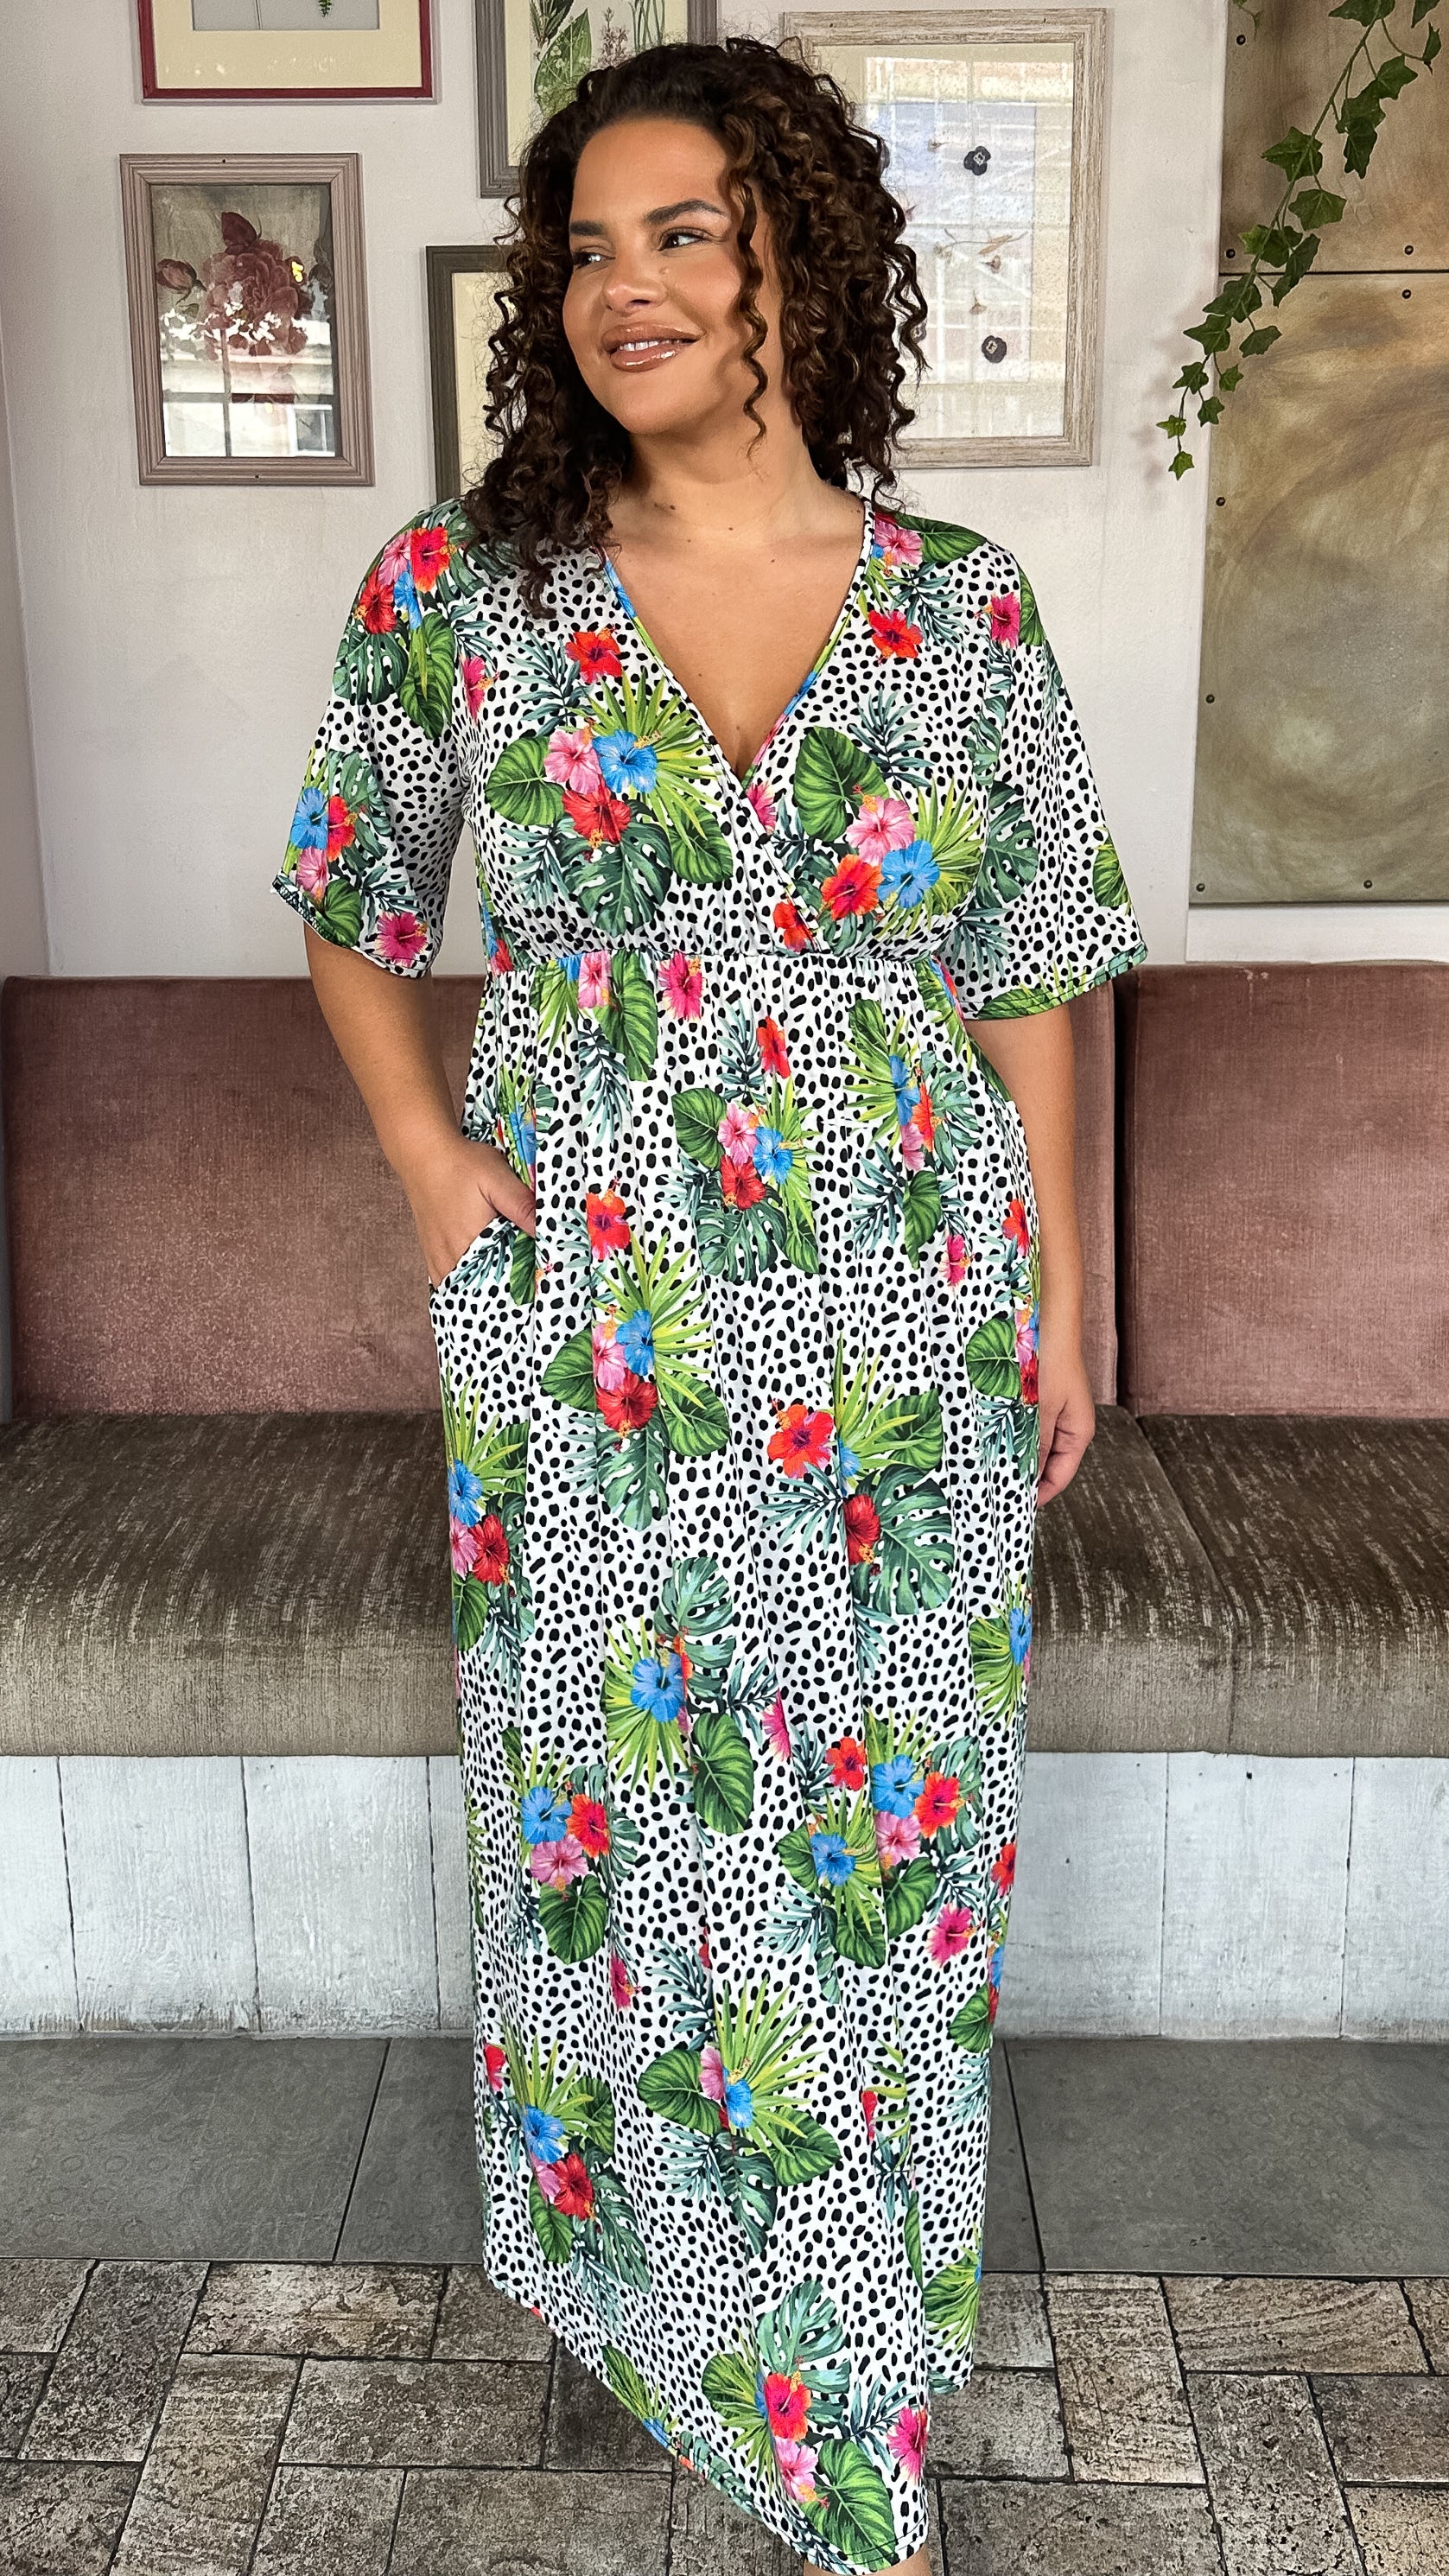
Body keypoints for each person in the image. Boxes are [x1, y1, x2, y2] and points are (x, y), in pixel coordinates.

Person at [272, 36, 1147, 2575]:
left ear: (798, 260)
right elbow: (349, 900)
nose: (622, 286)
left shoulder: (962, 607)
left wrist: (1070, 1289)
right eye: (585, 248)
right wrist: (432, 1170)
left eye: (682, 232)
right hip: (592, 1316)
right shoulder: (462, 589)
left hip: (903, 1311)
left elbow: (1033, 972)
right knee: (627, 1820)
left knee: (883, 1842)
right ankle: (662, 2301)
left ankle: (850, 2382)